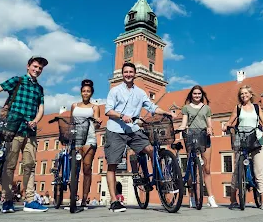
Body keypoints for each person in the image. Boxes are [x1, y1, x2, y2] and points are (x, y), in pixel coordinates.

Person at [0, 56, 49, 213]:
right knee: (10, 165)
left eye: (40, 68)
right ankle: (7, 200)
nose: (37, 70)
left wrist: (35, 120)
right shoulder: (17, 80)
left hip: (30, 130)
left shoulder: (39, 89)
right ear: (28, 66)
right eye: (35, 66)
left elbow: (41, 109)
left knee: (29, 165)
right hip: (13, 128)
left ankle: (29, 200)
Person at [104, 62, 176, 212]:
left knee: (151, 149)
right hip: (116, 129)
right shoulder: (115, 91)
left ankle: (159, 178)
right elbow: (108, 110)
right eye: (126, 72)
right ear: (122, 74)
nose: (128, 74)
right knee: (112, 164)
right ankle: (114, 200)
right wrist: (122, 115)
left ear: (135, 74)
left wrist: (166, 112)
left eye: (131, 72)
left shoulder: (140, 92)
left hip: (133, 129)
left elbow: (152, 107)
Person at [224, 85, 263, 210]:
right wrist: (226, 126)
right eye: (241, 94)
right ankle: (233, 199)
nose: (243, 96)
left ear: (250, 95)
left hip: (256, 139)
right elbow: (230, 121)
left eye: (246, 93)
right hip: (241, 140)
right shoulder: (238, 108)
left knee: (260, 170)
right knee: (237, 171)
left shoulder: (256, 107)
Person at [178, 85, 218, 208]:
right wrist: (181, 128)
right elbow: (184, 122)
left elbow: (209, 123)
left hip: (204, 136)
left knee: (207, 169)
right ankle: (191, 197)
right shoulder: (186, 108)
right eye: (195, 94)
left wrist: (210, 129)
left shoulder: (206, 108)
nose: (197, 96)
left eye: (199, 94)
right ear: (191, 95)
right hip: (191, 137)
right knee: (191, 169)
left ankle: (211, 198)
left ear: (202, 95)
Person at [70, 79, 102, 208]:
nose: (85, 93)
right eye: (84, 91)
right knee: (74, 169)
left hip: (89, 139)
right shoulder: (74, 106)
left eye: (88, 91)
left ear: (91, 93)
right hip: (76, 139)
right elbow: (71, 122)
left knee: (87, 168)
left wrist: (98, 122)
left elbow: (96, 125)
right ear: (81, 92)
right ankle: (73, 197)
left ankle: (84, 199)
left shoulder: (95, 107)